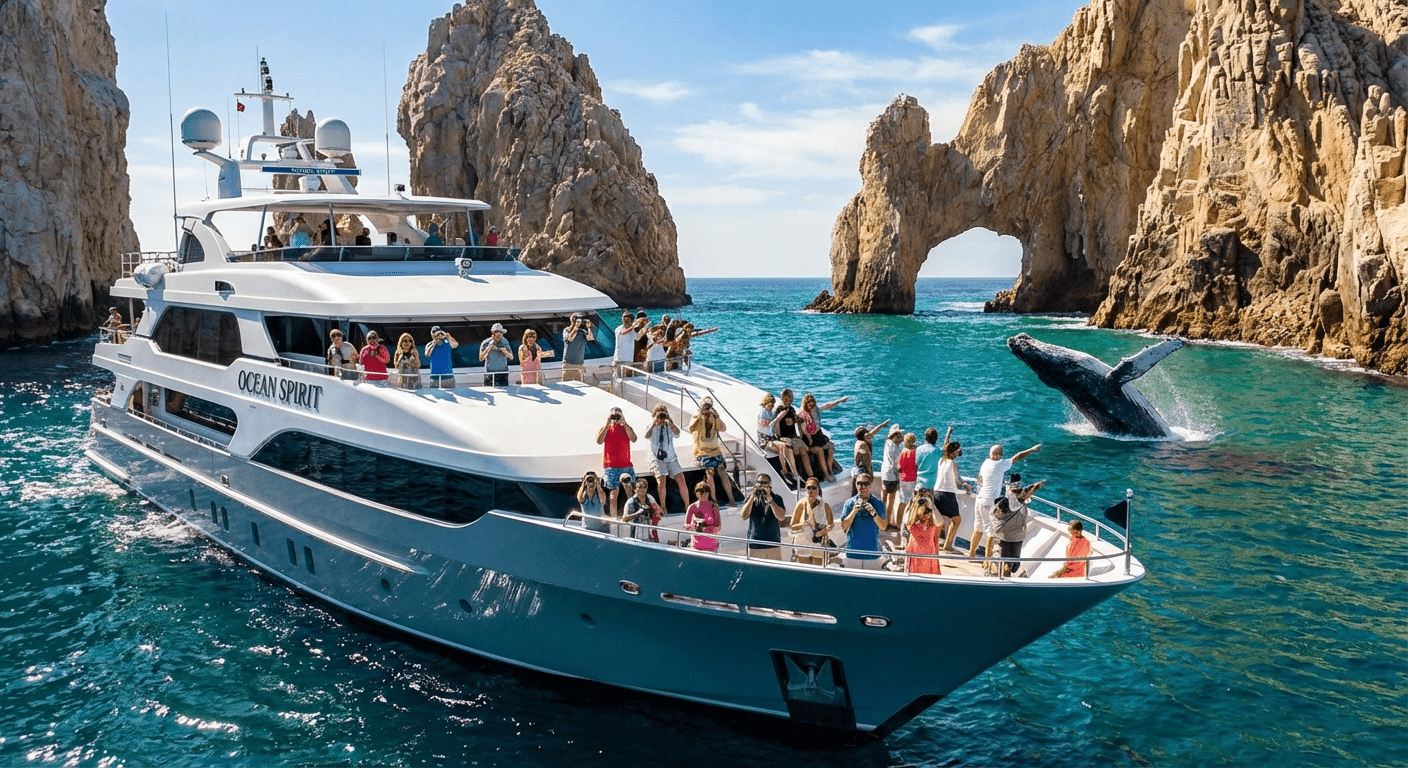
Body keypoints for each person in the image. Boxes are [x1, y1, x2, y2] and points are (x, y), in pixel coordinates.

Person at [970, 442, 1042, 560]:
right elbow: (1017, 456)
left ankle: (971, 555)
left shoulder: (985, 463)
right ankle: (987, 561)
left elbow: (980, 480)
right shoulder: (1000, 464)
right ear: (999, 455)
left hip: (979, 499)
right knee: (992, 532)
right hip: (989, 501)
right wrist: (1032, 450)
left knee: (978, 529)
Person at [991, 475, 1043, 577]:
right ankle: (1006, 575)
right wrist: (1037, 485)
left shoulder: (1004, 503)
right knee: (1012, 562)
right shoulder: (1019, 502)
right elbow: (1030, 491)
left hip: (1003, 535)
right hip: (1015, 537)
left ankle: (1002, 575)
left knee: (1004, 560)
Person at [689, 397, 735, 505]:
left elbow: (723, 428)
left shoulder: (713, 416)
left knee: (722, 470)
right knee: (710, 472)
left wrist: (716, 417)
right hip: (702, 451)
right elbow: (691, 428)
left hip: (714, 450)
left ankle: (731, 499)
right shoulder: (697, 416)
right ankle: (714, 500)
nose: (706, 409)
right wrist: (700, 415)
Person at [644, 404, 689, 511]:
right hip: (656, 458)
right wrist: (654, 423)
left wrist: (670, 420)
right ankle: (663, 507)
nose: (661, 418)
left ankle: (687, 506)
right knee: (662, 480)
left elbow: (677, 434)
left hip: (671, 457)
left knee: (681, 479)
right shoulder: (651, 425)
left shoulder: (669, 425)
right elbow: (647, 435)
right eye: (659, 414)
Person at [840, 473, 890, 569]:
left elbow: (883, 526)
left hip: (872, 553)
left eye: (865, 484)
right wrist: (854, 511)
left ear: (870, 485)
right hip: (852, 553)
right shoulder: (849, 503)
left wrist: (873, 513)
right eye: (859, 483)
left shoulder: (878, 503)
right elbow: (844, 527)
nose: (861, 486)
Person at [595, 406, 637, 517]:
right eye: (614, 415)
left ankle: (631, 514)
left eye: (617, 415)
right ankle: (614, 518)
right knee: (613, 494)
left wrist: (624, 422)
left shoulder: (626, 428)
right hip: (611, 466)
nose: (615, 417)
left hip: (626, 465)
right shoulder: (605, 428)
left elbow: (634, 438)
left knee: (629, 490)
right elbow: (599, 441)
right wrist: (607, 423)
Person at [933, 439, 972, 551]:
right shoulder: (952, 463)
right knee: (956, 520)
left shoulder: (941, 460)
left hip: (936, 492)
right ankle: (948, 545)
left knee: (938, 521)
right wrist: (965, 485)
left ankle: (934, 544)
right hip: (947, 494)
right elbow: (957, 481)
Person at [799, 393, 845, 480]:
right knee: (820, 451)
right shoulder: (803, 414)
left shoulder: (816, 409)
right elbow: (804, 430)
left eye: (812, 403)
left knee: (830, 447)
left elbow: (827, 406)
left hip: (818, 436)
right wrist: (810, 441)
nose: (811, 405)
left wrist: (839, 401)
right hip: (809, 439)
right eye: (809, 403)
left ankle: (829, 470)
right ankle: (826, 475)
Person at [740, 475, 787, 560]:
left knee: (773, 571)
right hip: (755, 543)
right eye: (759, 482)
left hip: (773, 543)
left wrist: (770, 500)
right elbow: (743, 516)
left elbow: (781, 517)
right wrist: (752, 498)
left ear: (770, 485)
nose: (761, 485)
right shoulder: (751, 499)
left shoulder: (777, 498)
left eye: (764, 483)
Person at [757, 393, 800, 485]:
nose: (771, 405)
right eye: (769, 402)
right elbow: (766, 424)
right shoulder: (762, 413)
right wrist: (778, 418)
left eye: (772, 403)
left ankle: (795, 474)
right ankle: (784, 470)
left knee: (789, 449)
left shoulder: (771, 412)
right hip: (765, 440)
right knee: (783, 446)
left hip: (772, 438)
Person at [789, 479, 834, 565]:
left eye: (813, 488)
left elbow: (831, 524)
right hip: (802, 543)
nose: (811, 491)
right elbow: (792, 526)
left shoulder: (824, 506)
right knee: (804, 574)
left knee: (817, 573)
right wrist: (804, 524)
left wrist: (821, 532)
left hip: (819, 543)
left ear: (818, 490)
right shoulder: (801, 504)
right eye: (808, 488)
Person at [773, 389, 814, 479]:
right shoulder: (779, 409)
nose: (788, 401)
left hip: (793, 436)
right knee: (796, 451)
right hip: (784, 436)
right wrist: (779, 436)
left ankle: (810, 476)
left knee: (804, 451)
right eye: (786, 399)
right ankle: (797, 475)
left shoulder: (791, 409)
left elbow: (795, 420)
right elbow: (778, 425)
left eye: (790, 399)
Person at [904, 489, 942, 575]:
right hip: (916, 555)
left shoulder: (932, 523)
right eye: (925, 511)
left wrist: (931, 506)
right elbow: (907, 520)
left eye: (928, 511)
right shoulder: (912, 524)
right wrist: (915, 504)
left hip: (929, 556)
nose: (927, 514)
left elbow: (940, 522)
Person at [622, 476, 662, 542]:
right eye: (640, 487)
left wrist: (656, 513)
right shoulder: (630, 502)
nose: (642, 489)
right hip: (635, 531)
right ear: (635, 489)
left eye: (644, 487)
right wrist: (639, 512)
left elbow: (658, 510)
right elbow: (625, 518)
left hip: (648, 529)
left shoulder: (649, 498)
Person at [685, 482, 721, 552]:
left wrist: (706, 528)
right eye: (701, 495)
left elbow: (718, 526)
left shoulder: (714, 506)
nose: (704, 496)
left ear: (708, 493)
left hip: (711, 543)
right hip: (696, 543)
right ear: (697, 494)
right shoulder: (692, 507)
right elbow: (686, 526)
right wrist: (693, 525)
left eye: (706, 494)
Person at [914, 426, 952, 492]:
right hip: (932, 485)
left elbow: (915, 466)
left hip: (919, 484)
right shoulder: (938, 452)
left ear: (925, 437)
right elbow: (945, 447)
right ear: (936, 439)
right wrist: (948, 434)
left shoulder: (918, 450)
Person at [879, 424, 904, 518]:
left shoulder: (887, 443)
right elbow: (895, 464)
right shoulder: (897, 447)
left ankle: (881, 518)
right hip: (892, 476)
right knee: (891, 500)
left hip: (885, 473)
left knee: (883, 497)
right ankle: (887, 520)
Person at [478, 323, 513, 387]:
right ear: (493, 333)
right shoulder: (485, 343)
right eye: (497, 334)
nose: (499, 337)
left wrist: (504, 350)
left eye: (501, 333)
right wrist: (488, 348)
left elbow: (511, 357)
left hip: (503, 373)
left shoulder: (505, 342)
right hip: (490, 374)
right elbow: (481, 358)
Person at [561, 313, 593, 382]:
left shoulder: (582, 332)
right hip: (568, 364)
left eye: (580, 321)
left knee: (580, 384)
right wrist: (575, 328)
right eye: (577, 321)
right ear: (573, 321)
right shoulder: (566, 330)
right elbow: (570, 339)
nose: (579, 323)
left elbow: (590, 338)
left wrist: (589, 328)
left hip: (579, 365)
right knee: (567, 386)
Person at [897, 432, 919, 508]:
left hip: (903, 479)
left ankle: (898, 520)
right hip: (912, 479)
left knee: (903, 502)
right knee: (913, 502)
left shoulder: (903, 452)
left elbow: (899, 468)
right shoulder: (916, 452)